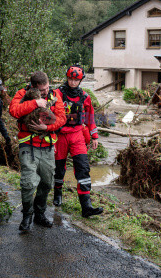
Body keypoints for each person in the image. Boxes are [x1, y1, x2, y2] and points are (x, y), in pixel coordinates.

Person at [9, 71, 66, 232]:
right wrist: (36, 103)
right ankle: (27, 215)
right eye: (42, 90)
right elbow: (14, 111)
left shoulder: (55, 95)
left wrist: (46, 128)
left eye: (47, 88)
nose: (46, 92)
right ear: (33, 87)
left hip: (47, 147)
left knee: (47, 183)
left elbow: (62, 118)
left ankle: (40, 214)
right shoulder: (22, 93)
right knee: (28, 183)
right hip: (28, 145)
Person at [53, 65, 103, 218]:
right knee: (59, 167)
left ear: (80, 80)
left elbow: (90, 118)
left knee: (83, 167)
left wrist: (94, 136)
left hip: (77, 134)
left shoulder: (85, 97)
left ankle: (86, 206)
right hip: (60, 135)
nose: (73, 82)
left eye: (76, 80)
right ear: (67, 78)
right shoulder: (57, 94)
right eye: (70, 79)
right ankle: (57, 193)